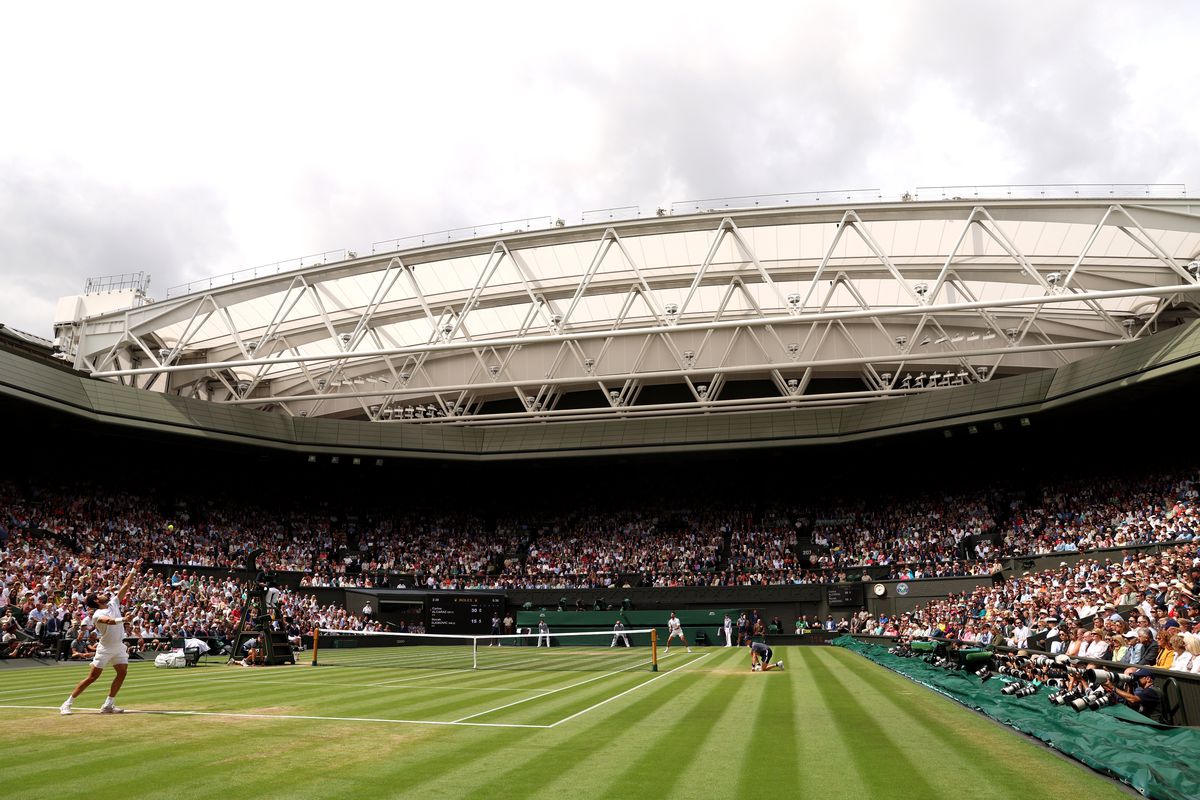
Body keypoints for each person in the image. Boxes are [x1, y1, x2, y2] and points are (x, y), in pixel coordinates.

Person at [60, 561, 142, 715]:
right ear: (97, 601)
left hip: (118, 646)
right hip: (105, 648)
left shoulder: (113, 604)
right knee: (92, 677)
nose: (104, 593)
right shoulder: (97, 614)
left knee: (122, 673)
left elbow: (126, 584)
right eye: (99, 594)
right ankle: (67, 703)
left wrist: (133, 569)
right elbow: (109, 622)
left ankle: (108, 704)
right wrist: (124, 619)